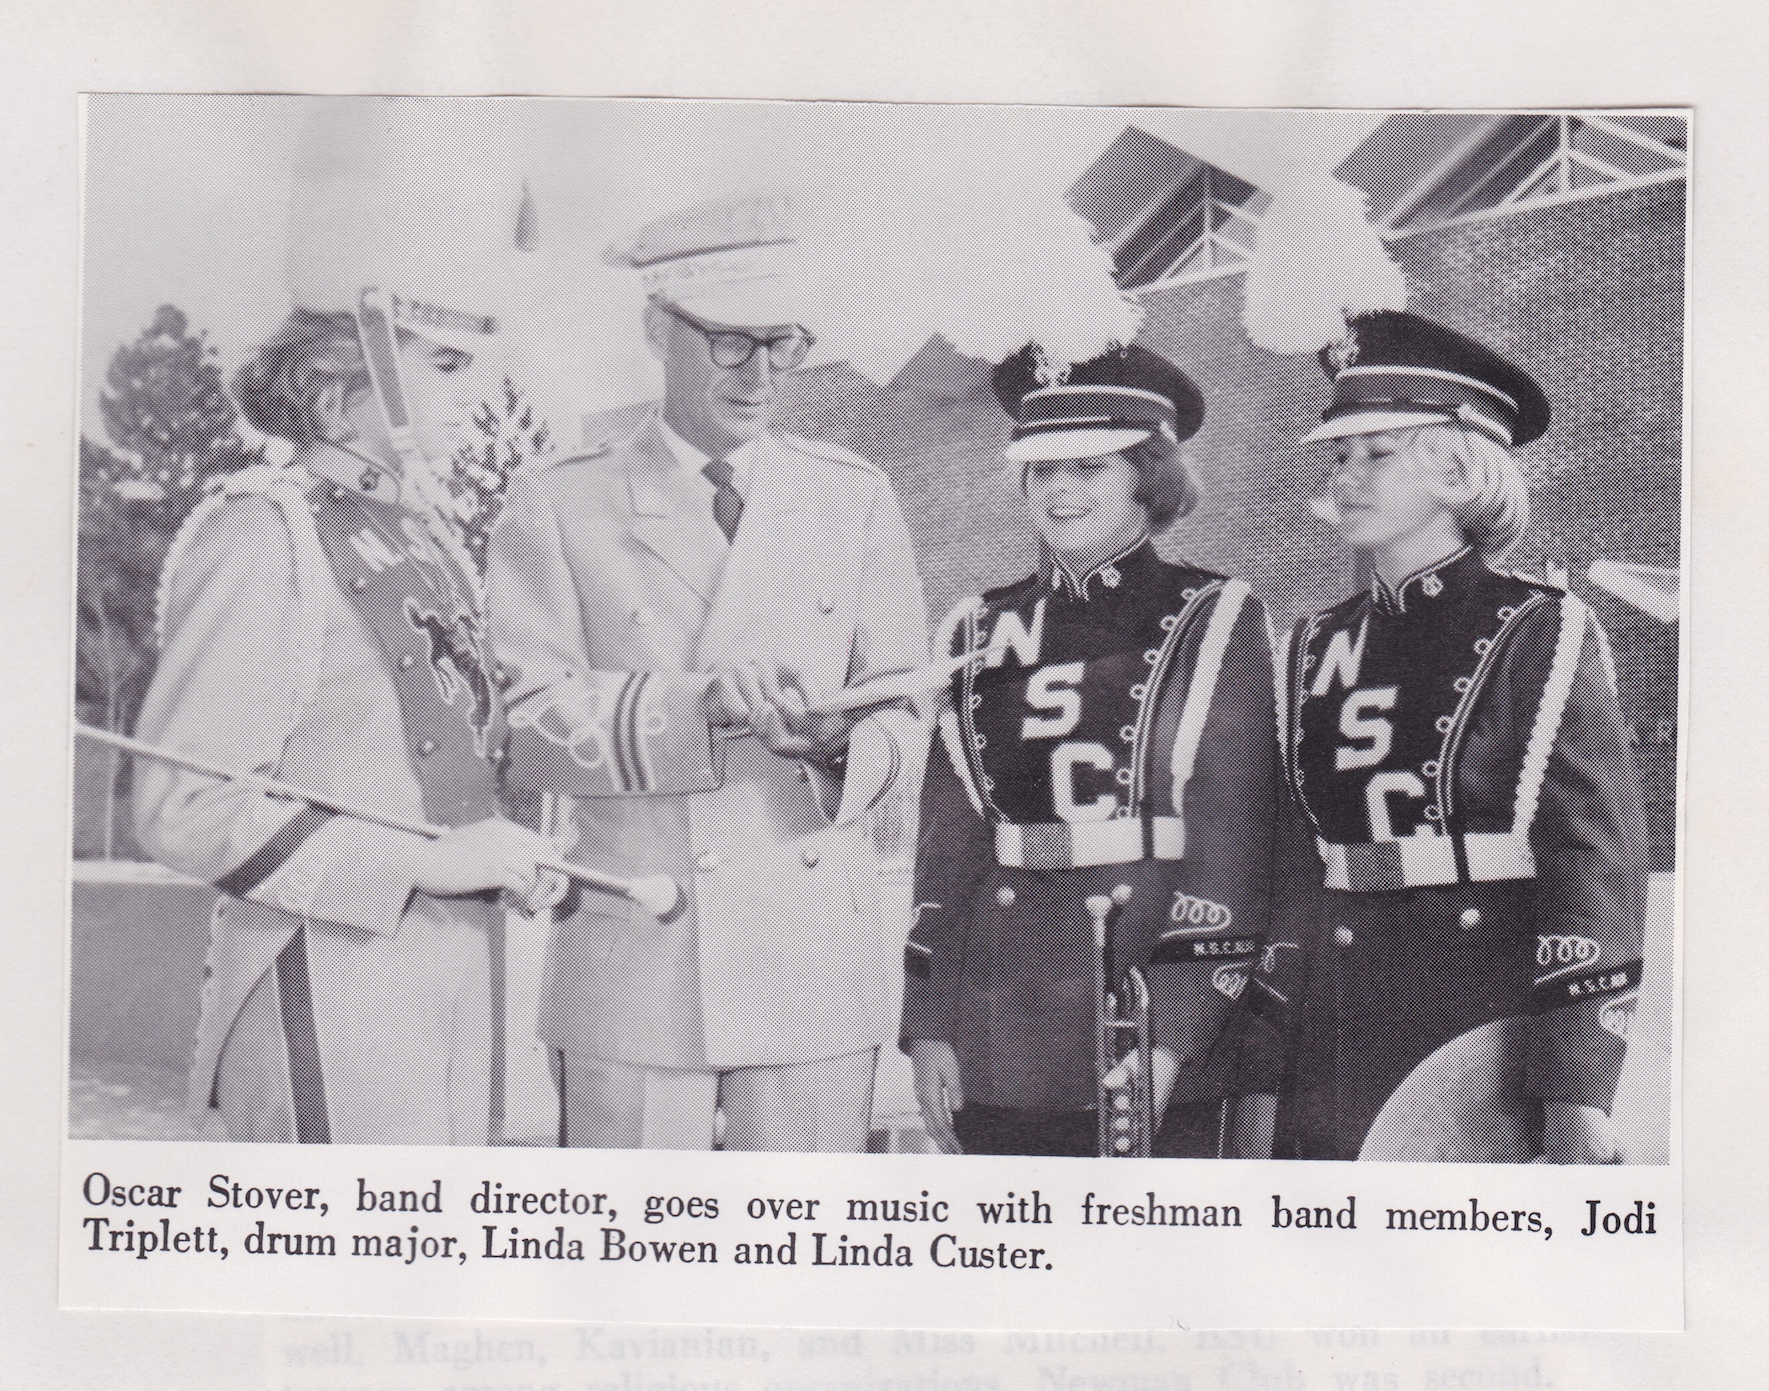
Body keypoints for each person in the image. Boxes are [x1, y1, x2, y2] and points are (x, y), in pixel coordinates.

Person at [131, 105, 566, 1145]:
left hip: (463, 976)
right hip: (323, 974)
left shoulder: (429, 538)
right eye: (448, 365)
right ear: (339, 374)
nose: (480, 392)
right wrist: (417, 862)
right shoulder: (260, 533)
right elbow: (182, 801)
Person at [485, 194, 930, 1153]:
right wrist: (699, 706)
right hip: (639, 957)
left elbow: (908, 707)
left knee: (802, 1265)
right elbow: (524, 724)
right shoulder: (561, 500)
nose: (761, 373)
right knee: (639, 1263)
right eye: (730, 343)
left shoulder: (852, 497)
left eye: (784, 343)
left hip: (811, 956)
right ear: (658, 328)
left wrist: (837, 747)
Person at [1273, 310, 1648, 1163]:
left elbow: (1593, 865)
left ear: (1458, 468)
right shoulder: (1310, 644)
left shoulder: (1539, 630)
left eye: (1377, 453)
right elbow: (1292, 871)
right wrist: (1265, 1065)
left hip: (1484, 1030)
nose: (1348, 477)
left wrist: (1577, 1087)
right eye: (1340, 455)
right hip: (1330, 1027)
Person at [899, 343, 1284, 1158]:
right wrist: (928, 1022)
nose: (1059, 489)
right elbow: (949, 846)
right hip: (997, 1025)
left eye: (1088, 467)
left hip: (1152, 1005)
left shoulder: (1214, 615)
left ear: (1149, 475)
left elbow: (1233, 847)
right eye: (1041, 470)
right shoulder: (977, 627)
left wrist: (1173, 1034)